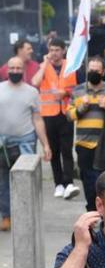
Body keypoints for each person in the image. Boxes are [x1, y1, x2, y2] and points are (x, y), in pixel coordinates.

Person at [0, 56, 50, 231]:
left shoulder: (32, 92)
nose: (14, 71)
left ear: (23, 70)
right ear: (7, 70)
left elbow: (37, 119)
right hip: (2, 145)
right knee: (3, 182)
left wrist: (46, 145)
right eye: (11, 68)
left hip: (25, 143)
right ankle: (6, 216)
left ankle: (25, 216)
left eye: (18, 68)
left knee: (25, 181)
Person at [68, 57, 105, 211]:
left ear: (103, 72)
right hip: (84, 143)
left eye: (97, 70)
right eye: (91, 70)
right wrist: (81, 108)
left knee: (104, 181)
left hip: (104, 145)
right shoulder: (78, 91)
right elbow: (69, 115)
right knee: (87, 181)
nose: (93, 73)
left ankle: (104, 211)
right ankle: (91, 211)